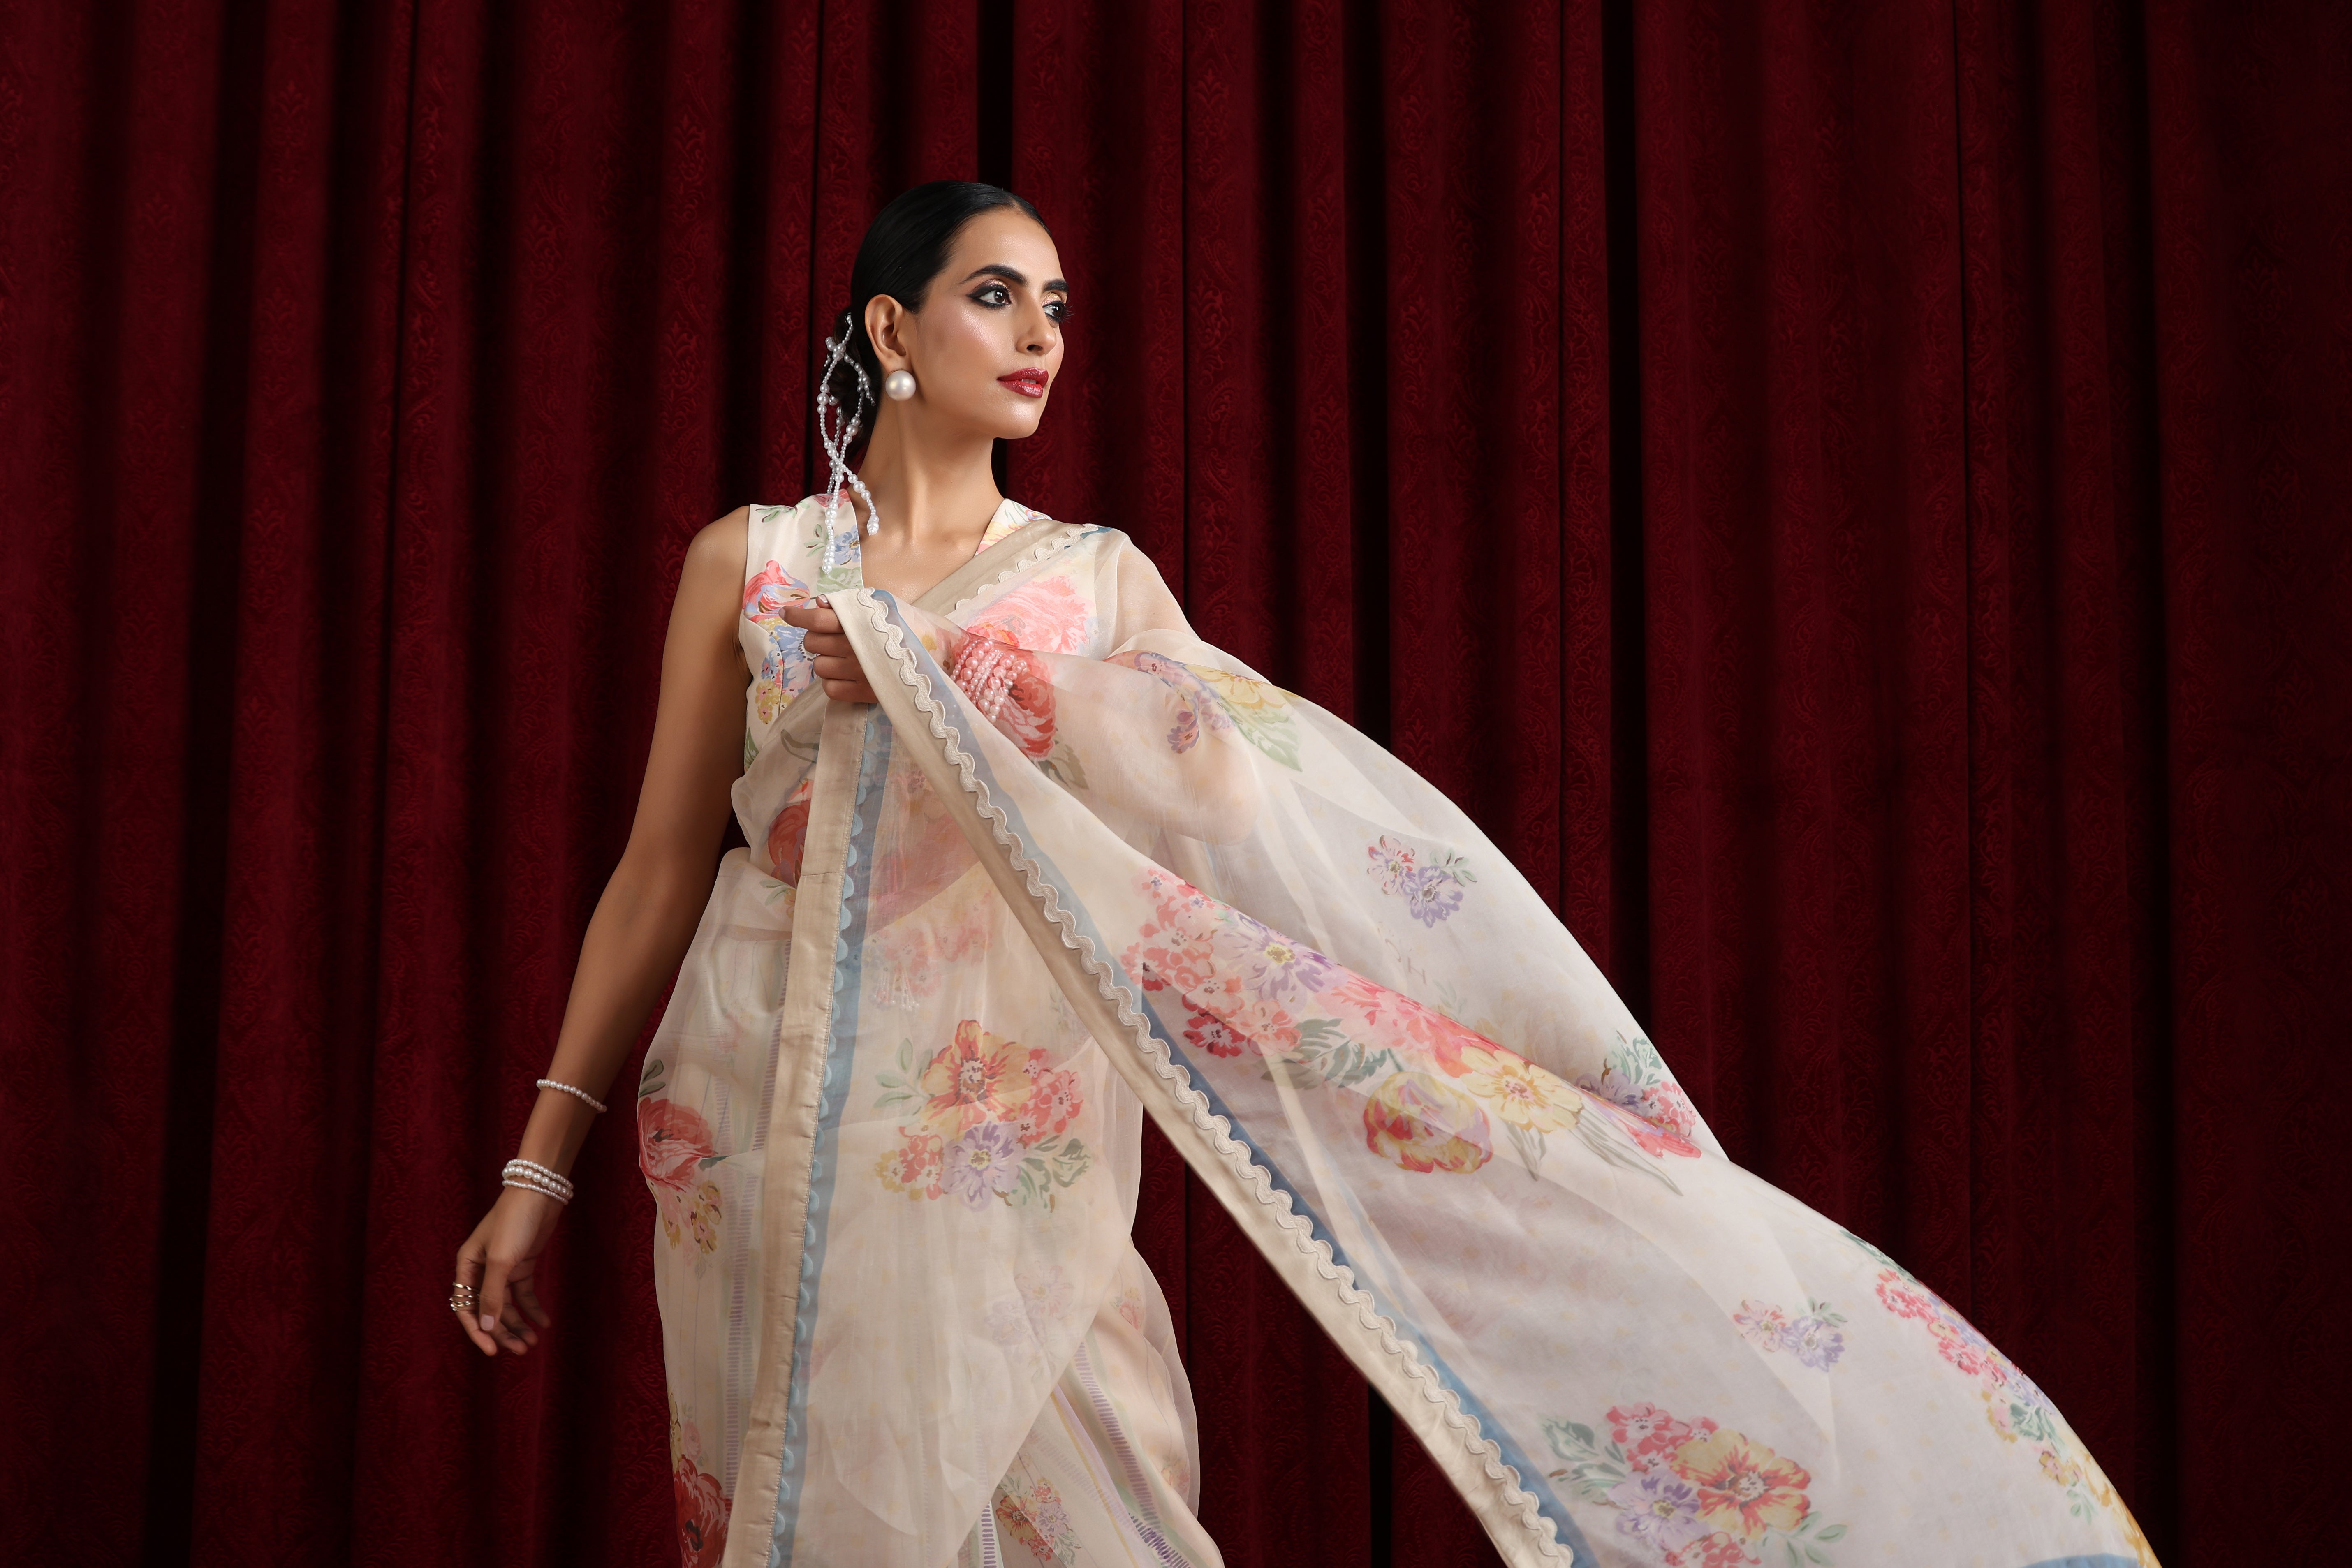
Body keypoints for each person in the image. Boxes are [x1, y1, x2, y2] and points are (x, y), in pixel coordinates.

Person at [453, 182, 2155, 1568]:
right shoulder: (754, 564)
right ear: (891, 330)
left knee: (1097, 1500)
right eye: (995, 295)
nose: (1043, 336)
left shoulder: (1093, 586)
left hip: (1001, 1134)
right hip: (753, 1109)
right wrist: (542, 1165)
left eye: (1058, 305)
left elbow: (1218, 787)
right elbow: (657, 872)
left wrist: (961, 678)